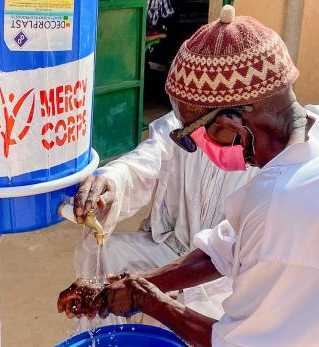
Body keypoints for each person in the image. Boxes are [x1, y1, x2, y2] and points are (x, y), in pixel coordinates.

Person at [58, 5, 319, 346]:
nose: (197, 148)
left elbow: (235, 342)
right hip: (205, 261)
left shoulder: (283, 207)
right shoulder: (298, 147)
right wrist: (127, 288)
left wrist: (149, 301)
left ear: (230, 127)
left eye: (196, 137)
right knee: (110, 255)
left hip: (256, 311)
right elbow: (222, 248)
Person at [73, 96, 254, 331]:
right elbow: (144, 161)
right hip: (170, 246)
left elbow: (223, 254)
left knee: (201, 323)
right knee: (104, 253)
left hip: (226, 276)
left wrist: (141, 289)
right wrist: (112, 180)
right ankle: (103, 337)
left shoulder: (266, 152)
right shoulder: (182, 124)